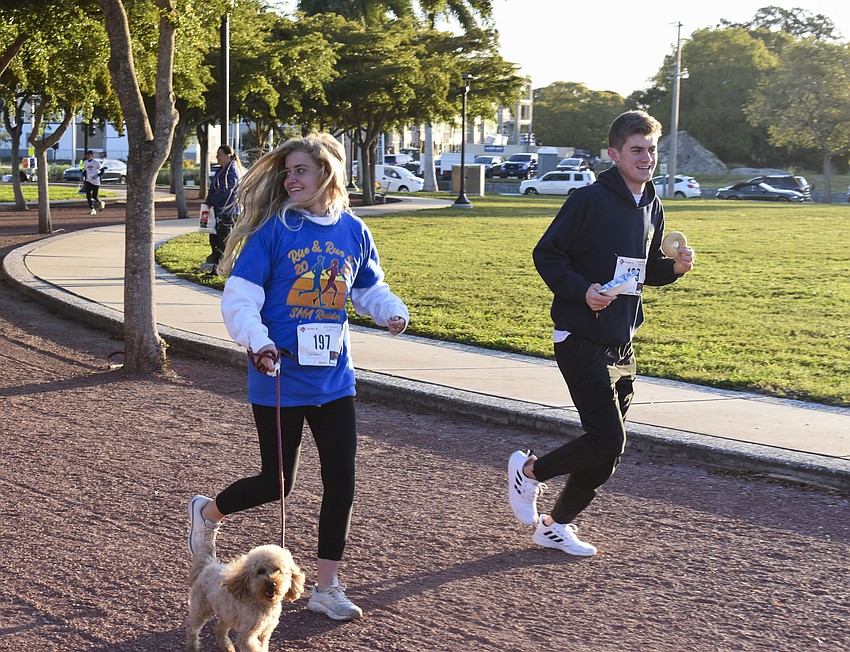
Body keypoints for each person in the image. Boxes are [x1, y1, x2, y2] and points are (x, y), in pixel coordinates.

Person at [187, 133, 409, 621]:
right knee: (276, 483)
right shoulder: (274, 232)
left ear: (326, 173)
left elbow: (370, 288)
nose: (291, 179)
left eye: (301, 170)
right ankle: (209, 513)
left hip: (335, 379)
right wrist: (258, 342)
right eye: (287, 171)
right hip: (279, 375)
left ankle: (326, 588)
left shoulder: (353, 230)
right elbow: (239, 298)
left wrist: (390, 311)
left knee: (341, 479)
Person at [508, 110, 695, 556]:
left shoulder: (652, 202)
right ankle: (529, 472)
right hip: (579, 335)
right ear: (614, 154)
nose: (646, 158)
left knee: (606, 450)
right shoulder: (588, 199)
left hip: (622, 339)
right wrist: (582, 291)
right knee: (608, 438)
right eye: (637, 150)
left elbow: (644, 271)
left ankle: (554, 525)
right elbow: (547, 254)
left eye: (651, 149)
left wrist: (675, 269)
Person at [200, 145, 243, 273]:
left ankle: (224, 268)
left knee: (224, 241)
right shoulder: (221, 170)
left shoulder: (232, 170)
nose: (217, 157)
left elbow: (228, 191)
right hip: (218, 211)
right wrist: (209, 201)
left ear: (227, 155)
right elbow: (215, 189)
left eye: (219, 154)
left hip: (229, 211)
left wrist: (212, 201)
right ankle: (218, 267)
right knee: (214, 239)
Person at [82, 151, 105, 215]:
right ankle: (92, 209)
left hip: (95, 182)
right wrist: (84, 174)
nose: (88, 156)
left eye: (89, 155)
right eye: (87, 155)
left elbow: (102, 170)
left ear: (92, 156)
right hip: (88, 181)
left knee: (94, 196)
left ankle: (101, 203)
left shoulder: (96, 162)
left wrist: (97, 175)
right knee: (88, 196)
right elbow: (85, 170)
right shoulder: (85, 162)